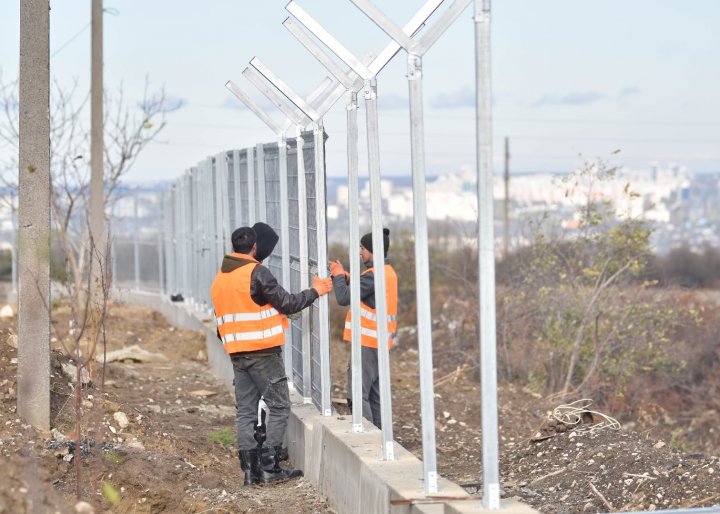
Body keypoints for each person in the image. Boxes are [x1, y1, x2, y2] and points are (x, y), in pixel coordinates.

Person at [210, 222, 333, 486]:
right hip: (263, 353)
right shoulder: (257, 272)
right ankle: (270, 466)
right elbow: (287, 302)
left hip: (237, 353)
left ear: (234, 246)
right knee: (279, 407)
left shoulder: (220, 278)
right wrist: (317, 291)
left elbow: (227, 319)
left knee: (245, 411)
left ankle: (250, 472)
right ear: (254, 247)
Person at [328, 228, 398, 429]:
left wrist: (339, 276)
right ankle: (381, 440)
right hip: (380, 344)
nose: (360, 252)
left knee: (358, 395)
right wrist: (348, 278)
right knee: (374, 396)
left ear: (373, 250)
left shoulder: (373, 276)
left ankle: (367, 437)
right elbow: (367, 292)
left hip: (367, 343)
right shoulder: (387, 273)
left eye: (362, 248)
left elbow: (343, 298)